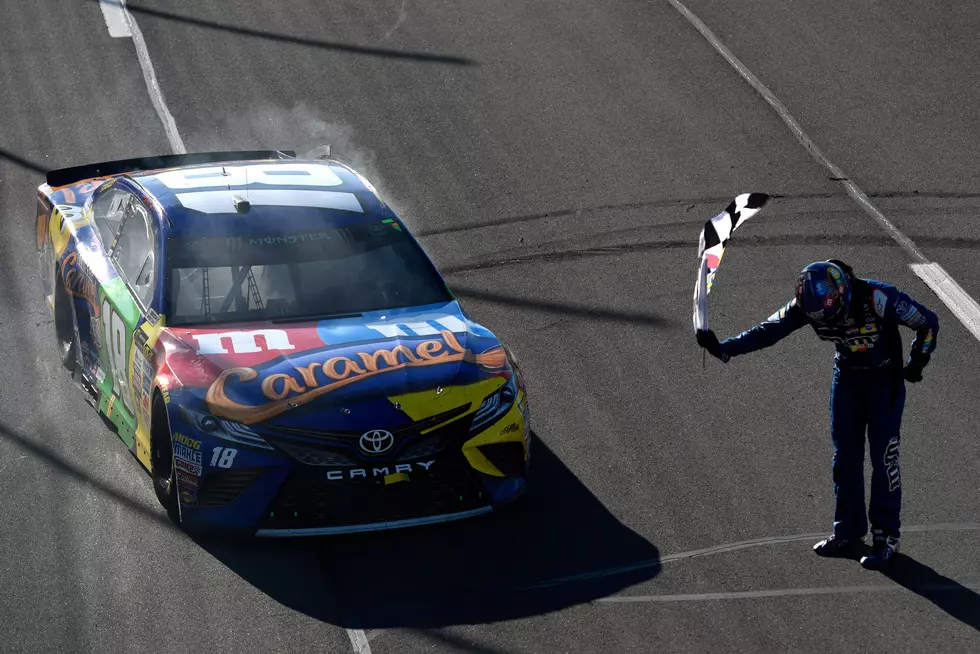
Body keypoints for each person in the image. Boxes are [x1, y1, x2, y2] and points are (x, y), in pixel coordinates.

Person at [696, 260, 938, 569]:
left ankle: (886, 537)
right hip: (847, 379)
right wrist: (725, 348)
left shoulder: (880, 297)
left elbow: (928, 323)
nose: (827, 322)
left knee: (884, 457)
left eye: (830, 314)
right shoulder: (806, 304)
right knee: (845, 458)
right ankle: (848, 531)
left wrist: (918, 360)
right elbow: (769, 330)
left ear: (842, 293)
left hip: (883, 380)